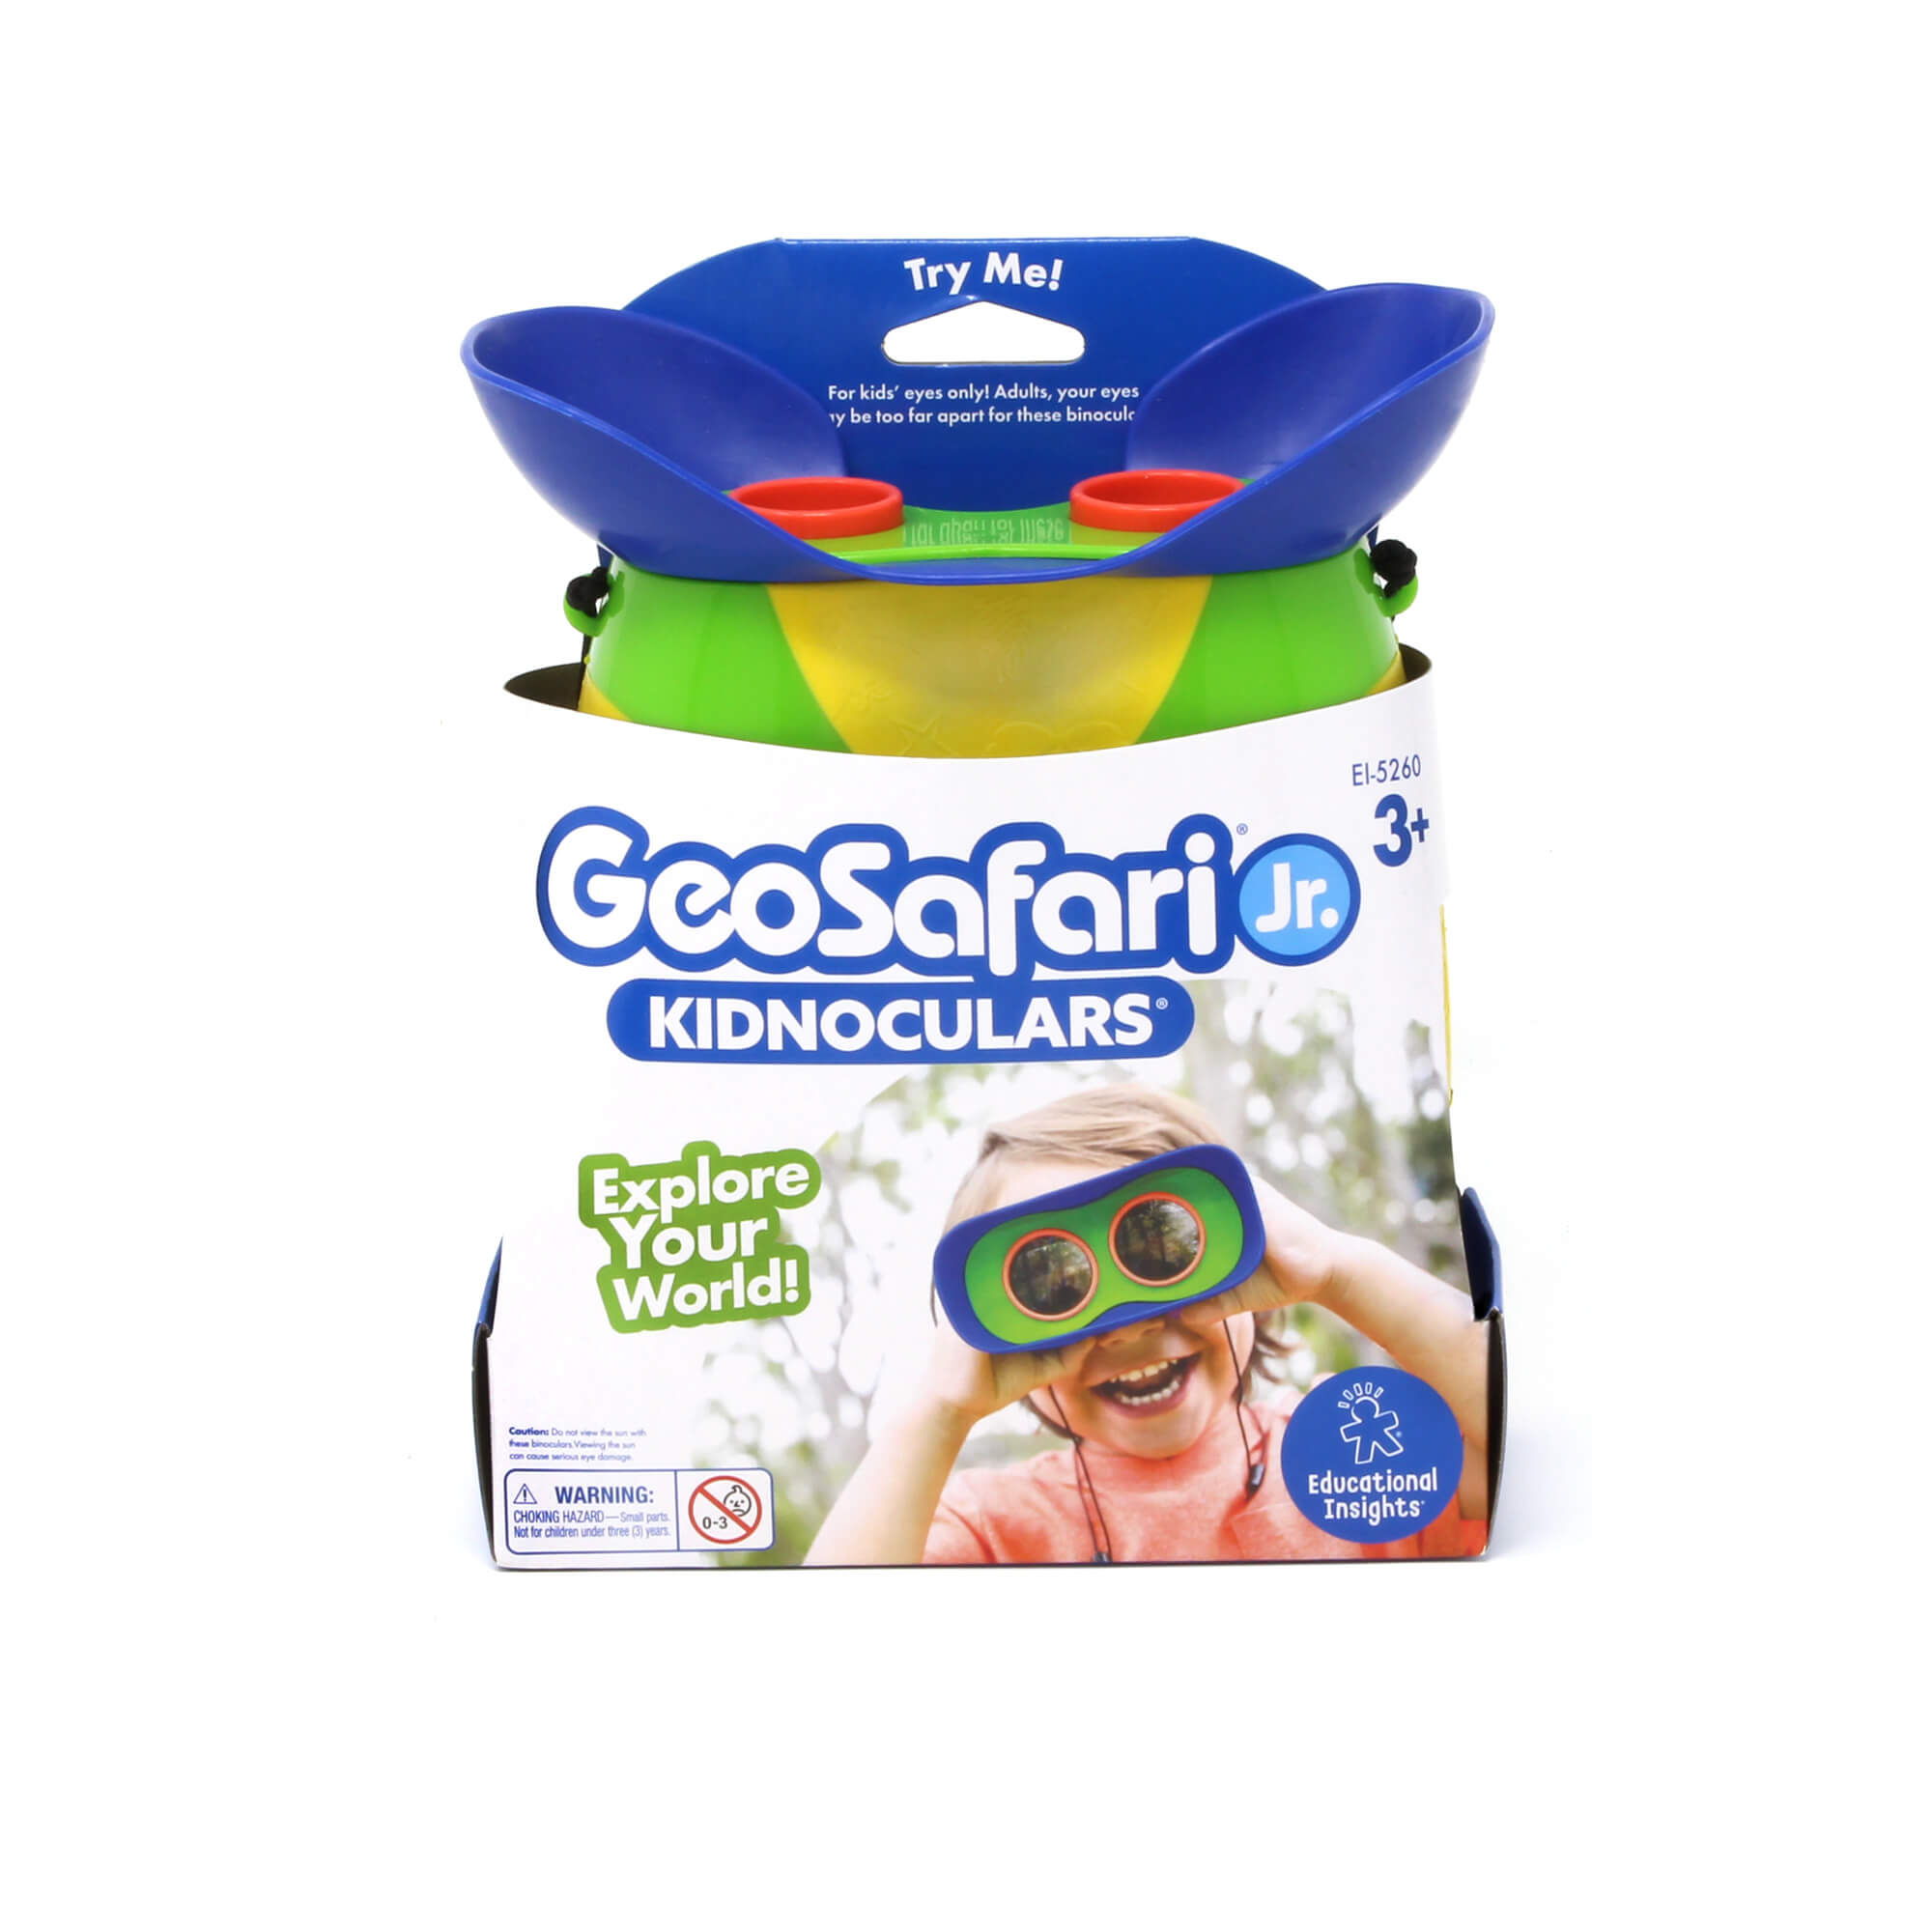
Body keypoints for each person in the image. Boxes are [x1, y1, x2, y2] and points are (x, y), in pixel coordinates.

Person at [806, 1083, 1490, 1564]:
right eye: (1050, 1283)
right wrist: (939, 1413)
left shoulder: (1356, 1451)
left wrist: (1337, 1268)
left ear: (1245, 1247)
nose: (1127, 1330)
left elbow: (1522, 1443)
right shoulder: (988, 1527)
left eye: (1162, 1248)